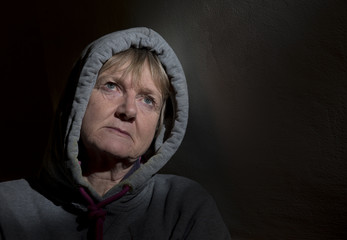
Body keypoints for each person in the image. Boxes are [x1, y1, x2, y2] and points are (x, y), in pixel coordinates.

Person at [0, 27, 231, 240]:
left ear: (160, 126)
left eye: (148, 100)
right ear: (76, 99)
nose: (128, 110)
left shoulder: (184, 206)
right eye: (111, 86)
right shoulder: (6, 206)